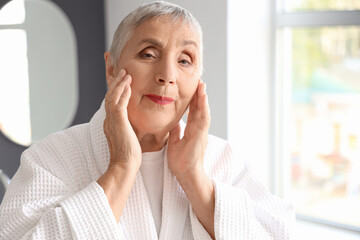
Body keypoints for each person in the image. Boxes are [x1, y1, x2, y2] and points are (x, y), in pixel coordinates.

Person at [0, 1, 295, 239]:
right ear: (111, 68)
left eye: (184, 60)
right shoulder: (51, 159)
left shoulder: (223, 160)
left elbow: (280, 233)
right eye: (148, 53)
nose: (167, 74)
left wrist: (194, 177)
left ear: (197, 80)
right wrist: (122, 166)